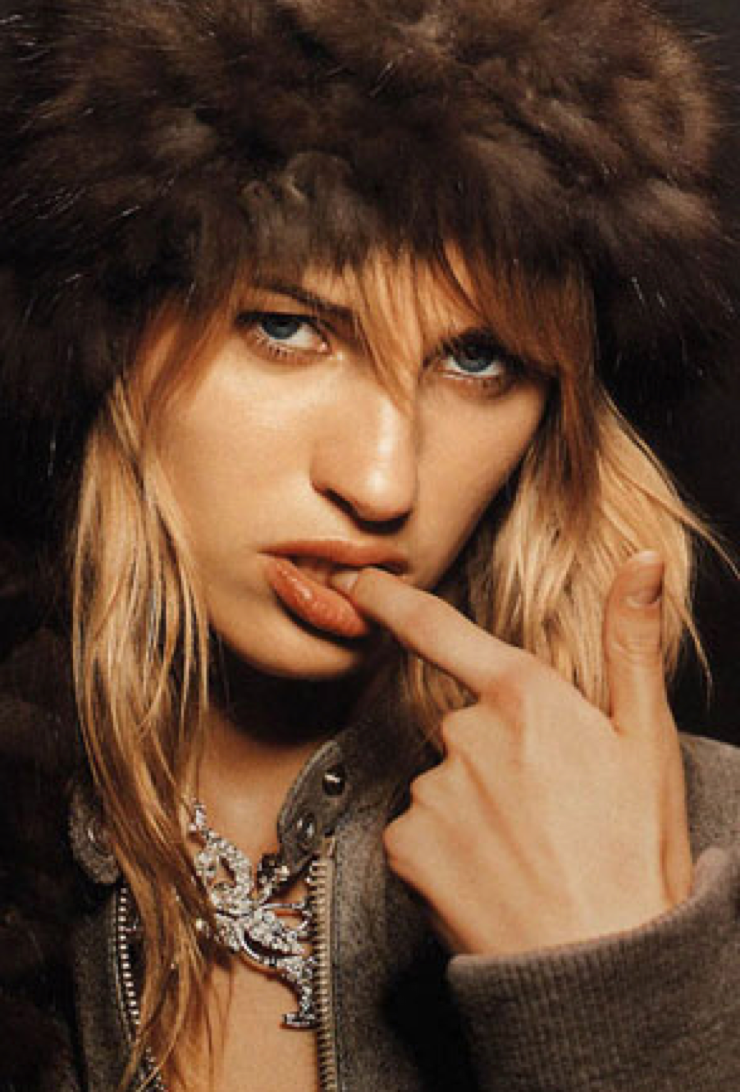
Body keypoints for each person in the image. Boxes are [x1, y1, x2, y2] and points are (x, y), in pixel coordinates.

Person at [1, 1, 739, 1090]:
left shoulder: (713, 849)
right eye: (287, 327)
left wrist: (608, 987)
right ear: (113, 339)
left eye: (478, 359)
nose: (384, 482)